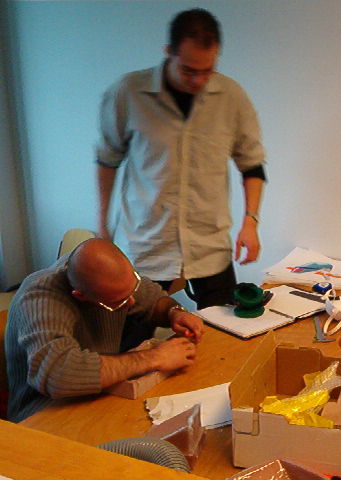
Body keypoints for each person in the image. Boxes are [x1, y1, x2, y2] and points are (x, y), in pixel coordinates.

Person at [96, 8, 266, 309]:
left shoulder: (231, 97)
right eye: (188, 70)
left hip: (209, 246)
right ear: (169, 52)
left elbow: (252, 164)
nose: (199, 80)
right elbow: (107, 160)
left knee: (223, 332)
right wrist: (103, 227)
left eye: (208, 70)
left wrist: (250, 222)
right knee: (132, 333)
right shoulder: (128, 93)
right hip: (146, 245)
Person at [4, 238, 204, 423]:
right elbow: (58, 375)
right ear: (80, 296)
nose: (132, 301)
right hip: (43, 413)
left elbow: (152, 300)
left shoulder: (111, 275)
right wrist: (155, 358)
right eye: (119, 302)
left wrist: (174, 312)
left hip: (97, 396)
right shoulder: (40, 299)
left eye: (132, 288)